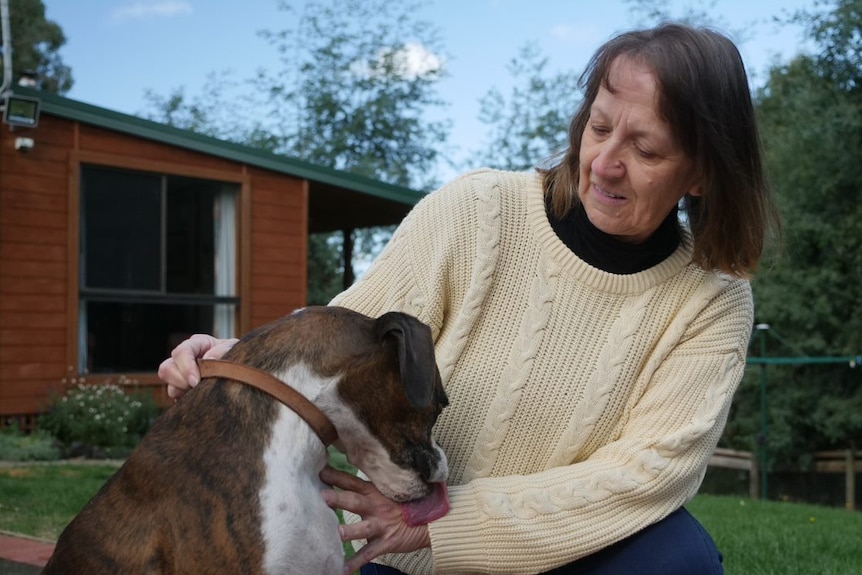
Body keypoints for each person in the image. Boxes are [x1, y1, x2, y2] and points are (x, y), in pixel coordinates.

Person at [159, 22, 779, 575]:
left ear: (700, 174)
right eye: (598, 127)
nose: (604, 164)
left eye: (645, 150)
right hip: (413, 558)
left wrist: (443, 519)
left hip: (566, 555)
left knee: (682, 558)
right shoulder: (480, 210)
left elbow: (650, 474)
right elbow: (349, 332)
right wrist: (236, 358)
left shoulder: (712, 301)